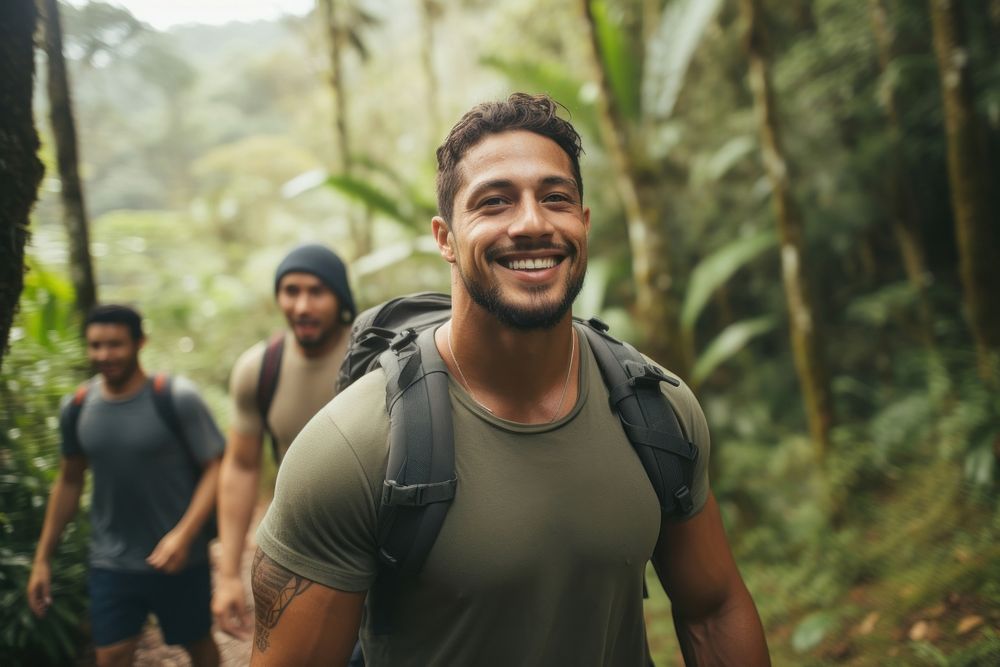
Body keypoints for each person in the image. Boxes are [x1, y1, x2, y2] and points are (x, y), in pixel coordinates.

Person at [249, 93, 771, 666]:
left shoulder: (658, 413)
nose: (532, 223)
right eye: (494, 202)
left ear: (584, 222)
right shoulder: (351, 449)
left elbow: (714, 609)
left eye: (556, 198)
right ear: (445, 237)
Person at [27, 304, 224, 667]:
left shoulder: (176, 398)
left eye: (115, 345)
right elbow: (69, 480)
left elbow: (215, 468)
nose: (104, 355)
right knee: (111, 656)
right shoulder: (78, 407)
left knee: (198, 645)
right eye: (96, 346)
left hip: (179, 559)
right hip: (111, 561)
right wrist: (42, 559)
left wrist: (184, 534)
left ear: (139, 343)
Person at [213, 243, 356, 639]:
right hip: (298, 551)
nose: (303, 305)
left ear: (340, 297)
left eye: (317, 291)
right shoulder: (258, 369)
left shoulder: (375, 357)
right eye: (291, 291)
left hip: (377, 550)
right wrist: (227, 574)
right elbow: (241, 468)